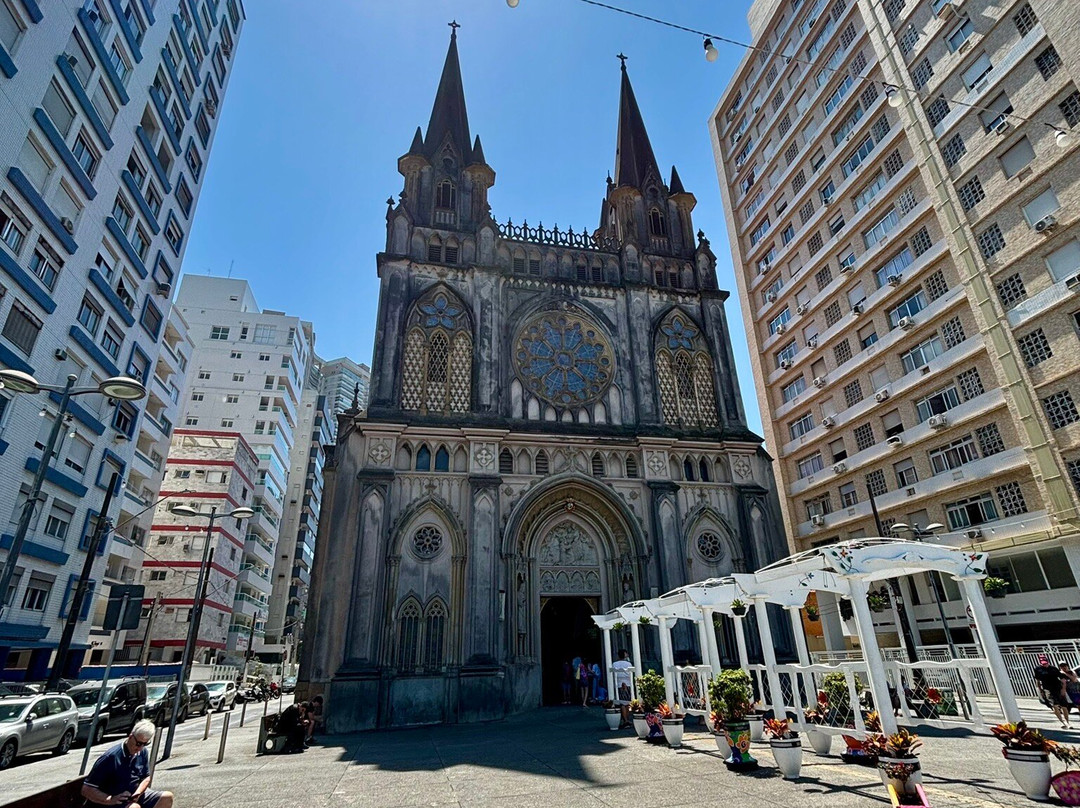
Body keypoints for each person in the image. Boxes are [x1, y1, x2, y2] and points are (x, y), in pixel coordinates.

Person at [82, 720, 174, 808]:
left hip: (133, 795)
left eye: (145, 744)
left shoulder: (142, 752)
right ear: (131, 736)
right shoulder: (111, 757)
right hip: (111, 800)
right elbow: (86, 789)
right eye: (138, 743)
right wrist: (111, 799)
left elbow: (146, 777)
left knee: (166, 797)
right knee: (134, 807)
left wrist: (138, 793)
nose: (140, 748)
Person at [1034, 657, 1071, 728]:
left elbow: (1062, 679)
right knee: (1054, 705)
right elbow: (1038, 681)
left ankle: (1067, 722)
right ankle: (1063, 722)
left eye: (1046, 663)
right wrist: (1041, 690)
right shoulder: (1038, 669)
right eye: (1043, 664)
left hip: (1058, 688)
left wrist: (1063, 689)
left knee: (1064, 705)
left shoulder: (1053, 668)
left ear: (1048, 662)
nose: (1045, 665)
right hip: (1048, 689)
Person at [611, 649, 635, 728]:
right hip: (627, 683)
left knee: (622, 703)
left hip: (618, 684)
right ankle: (626, 720)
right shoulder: (628, 664)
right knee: (626, 703)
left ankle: (625, 719)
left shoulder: (614, 664)